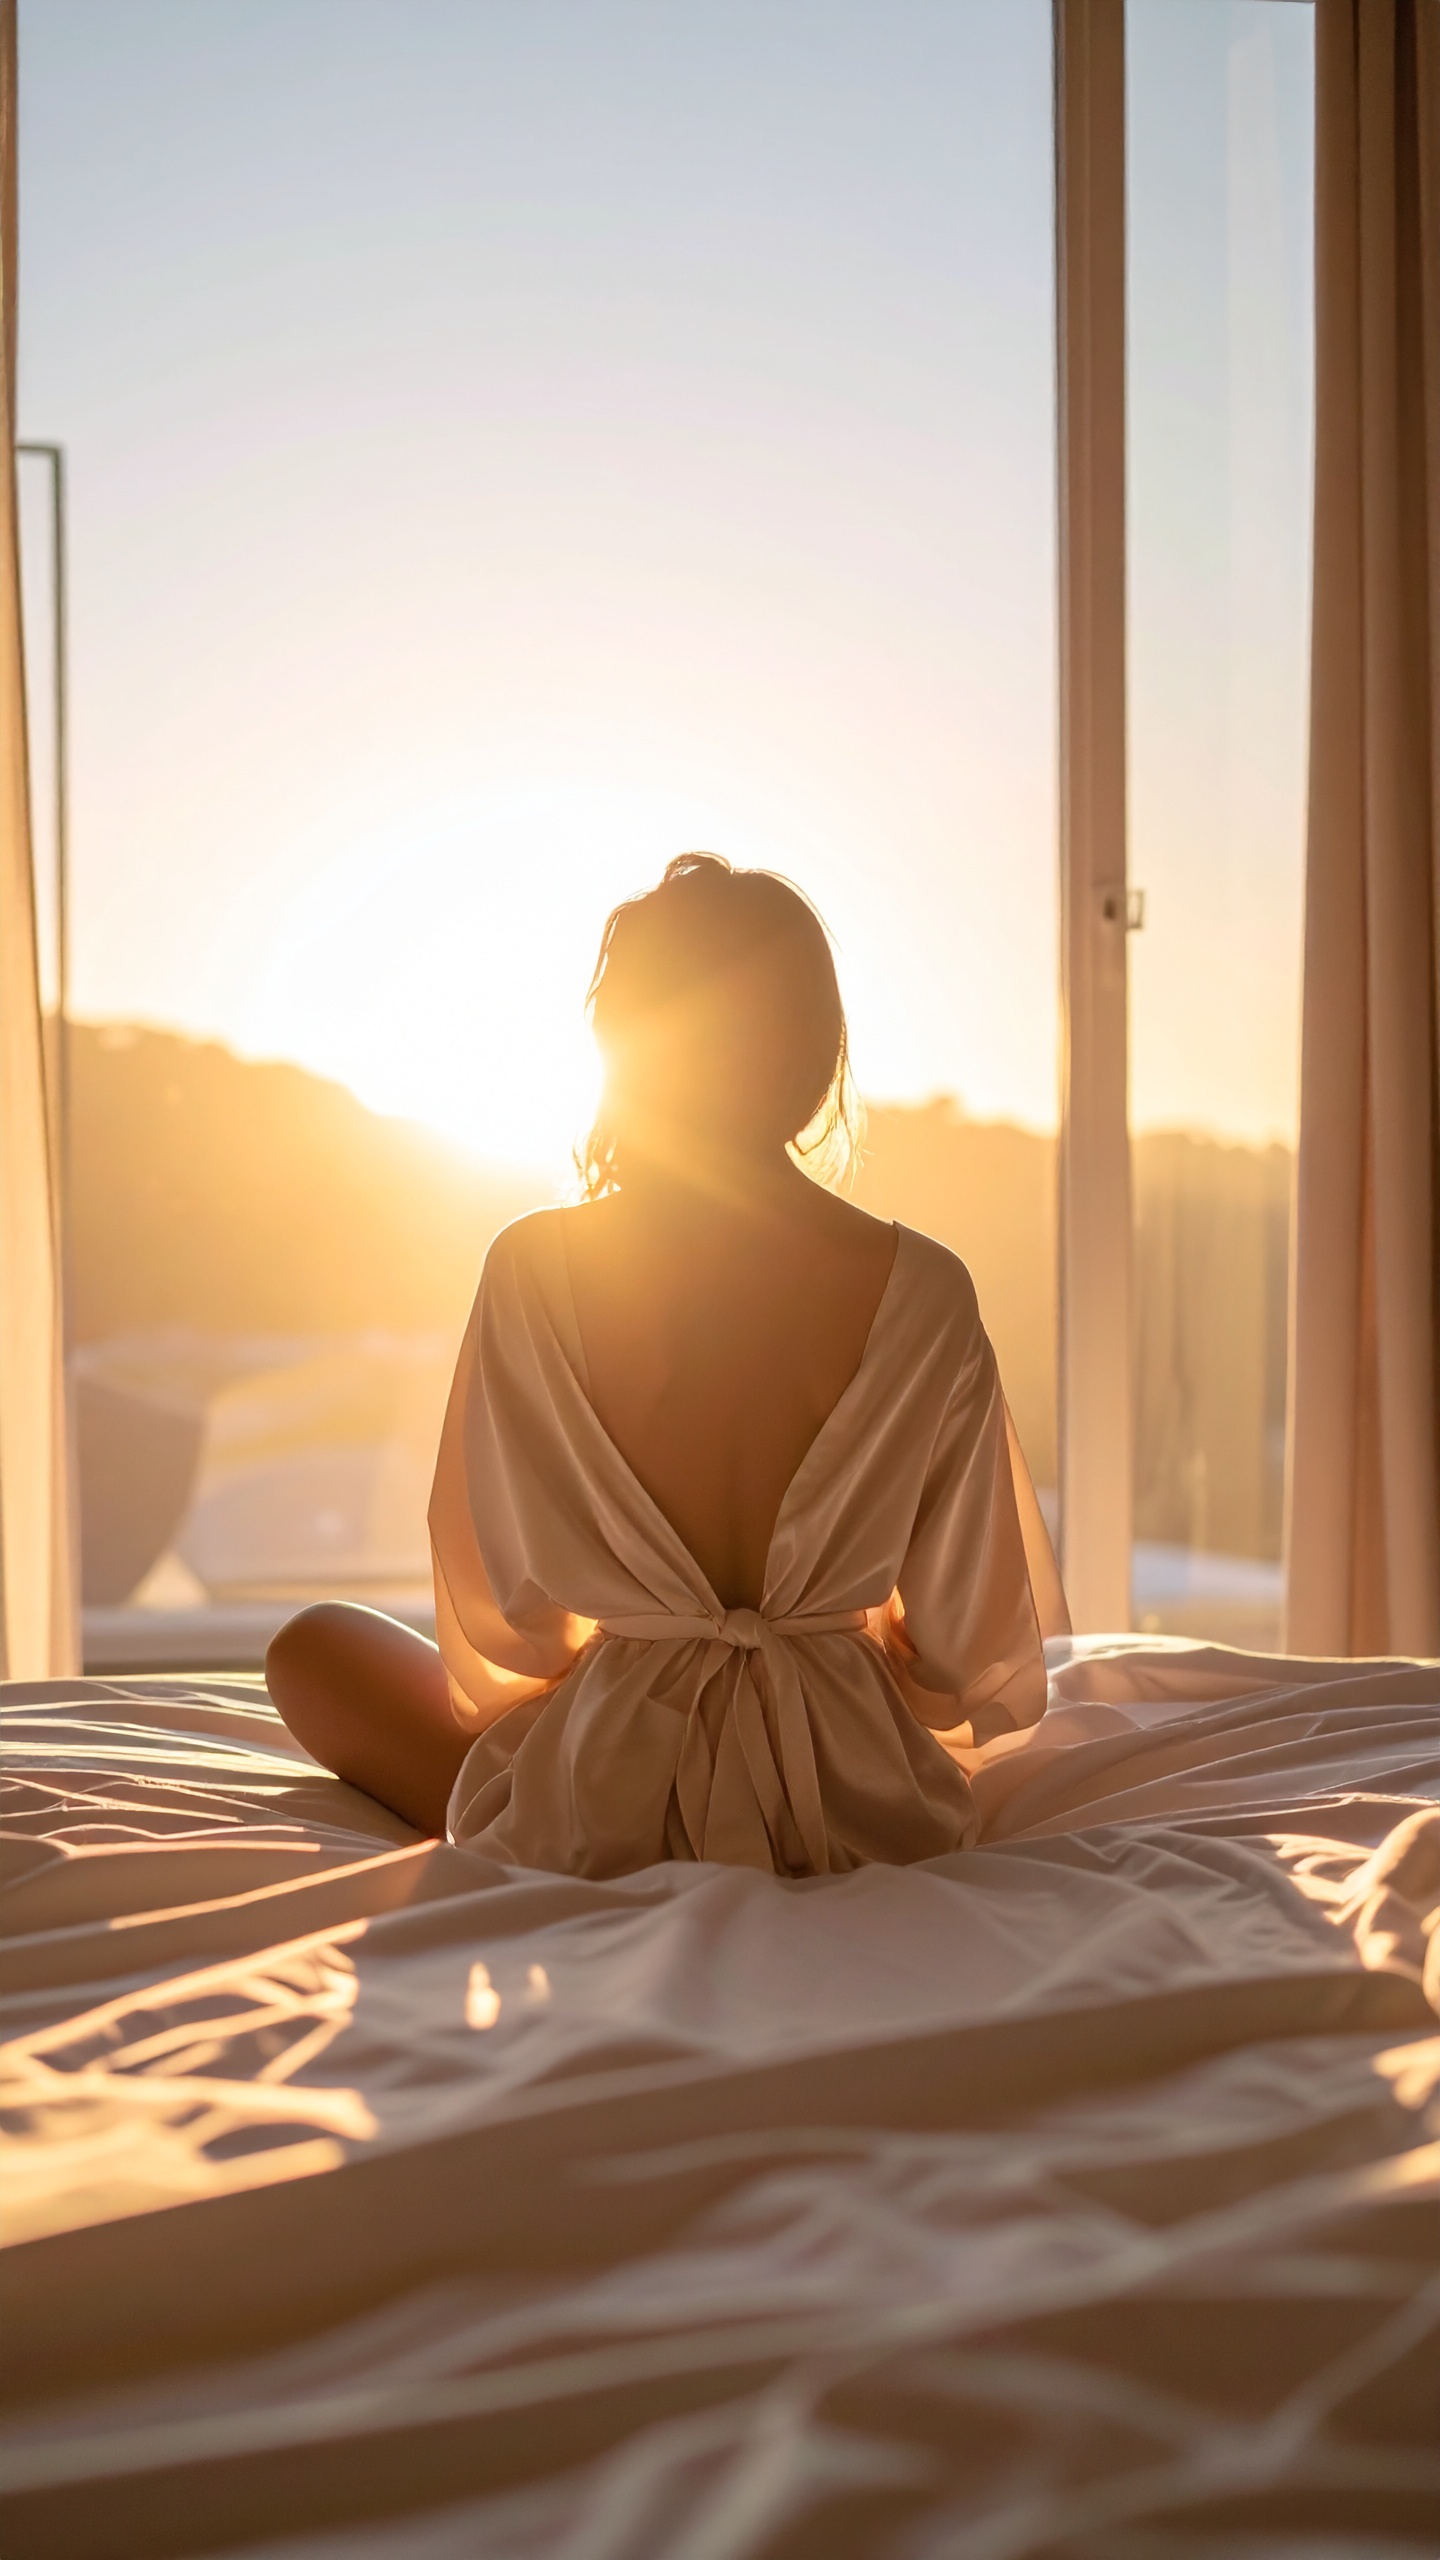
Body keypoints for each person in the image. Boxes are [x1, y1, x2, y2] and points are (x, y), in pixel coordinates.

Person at [266, 853, 1066, 1875]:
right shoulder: (929, 1289)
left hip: (606, 1802)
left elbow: (512, 1637)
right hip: (855, 1799)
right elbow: (969, 1659)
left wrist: (644, 1674)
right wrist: (826, 1658)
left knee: (315, 1647)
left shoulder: (532, 1270)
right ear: (816, 1050)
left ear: (625, 1047)